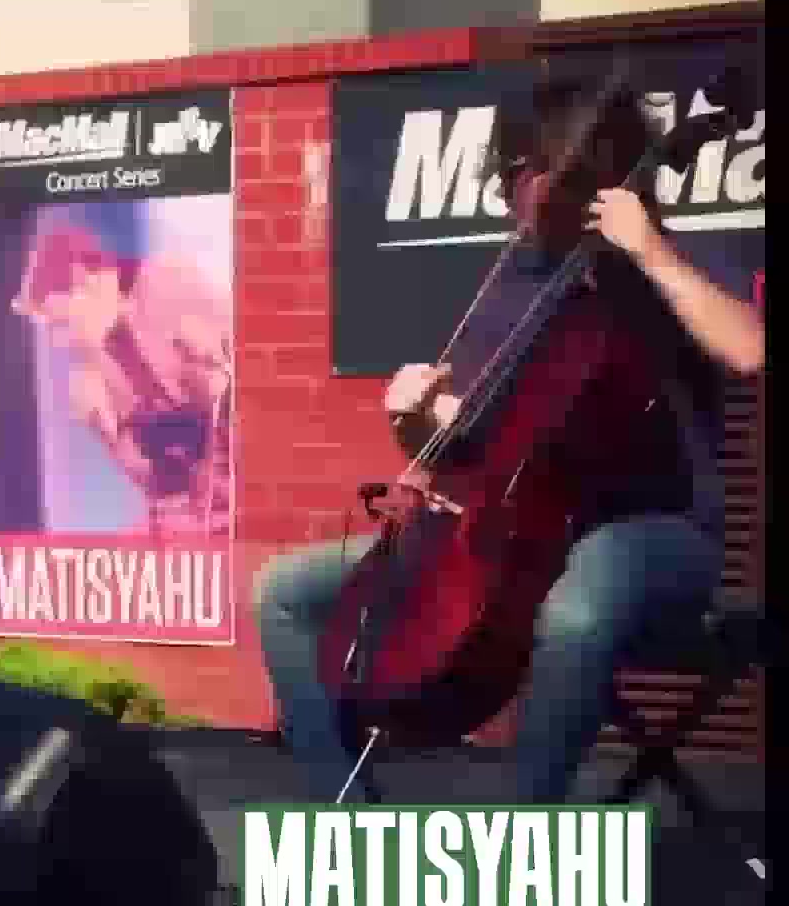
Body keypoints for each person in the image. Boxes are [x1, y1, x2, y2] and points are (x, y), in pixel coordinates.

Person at [257, 74, 765, 805]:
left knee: (577, 606)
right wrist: (413, 423)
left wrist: (650, 251)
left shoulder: (664, 260)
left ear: (586, 171)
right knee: (283, 592)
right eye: (509, 173)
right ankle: (348, 817)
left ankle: (530, 839)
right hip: (512, 534)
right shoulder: (516, 282)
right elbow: (480, 450)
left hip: (657, 533)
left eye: (529, 171)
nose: (513, 193)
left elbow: (748, 350)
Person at [11, 221, 232, 535]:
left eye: (61, 325)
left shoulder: (169, 284)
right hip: (192, 510)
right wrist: (115, 435)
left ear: (84, 279)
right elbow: (162, 493)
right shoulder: (91, 376)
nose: (61, 343)